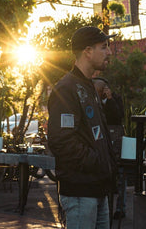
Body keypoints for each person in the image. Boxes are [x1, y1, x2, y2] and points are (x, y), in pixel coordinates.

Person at [48, 26, 117, 229]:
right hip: (80, 193)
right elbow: (61, 140)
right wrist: (96, 162)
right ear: (87, 51)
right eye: (104, 47)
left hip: (97, 189)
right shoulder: (66, 89)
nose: (109, 52)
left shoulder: (89, 86)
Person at [93, 77, 126, 220]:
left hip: (115, 137)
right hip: (99, 138)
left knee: (120, 174)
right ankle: (103, 206)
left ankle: (120, 208)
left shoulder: (115, 99)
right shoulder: (92, 100)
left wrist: (110, 99)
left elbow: (119, 116)